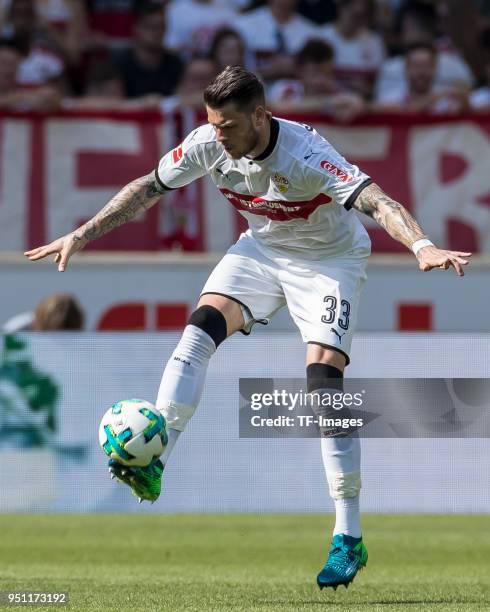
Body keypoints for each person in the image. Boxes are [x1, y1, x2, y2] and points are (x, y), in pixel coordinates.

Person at [24, 66, 471, 590]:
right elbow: (147, 188)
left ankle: (348, 535)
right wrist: (81, 234)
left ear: (260, 115)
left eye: (228, 125)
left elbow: (377, 200)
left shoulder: (307, 153)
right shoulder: (207, 145)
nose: (219, 135)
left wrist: (422, 246)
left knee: (323, 385)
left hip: (330, 262)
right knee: (198, 331)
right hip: (260, 252)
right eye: (212, 124)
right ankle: (156, 458)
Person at [372, 42, 468, 114]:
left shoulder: (445, 103)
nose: (421, 72)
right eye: (416, 66)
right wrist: (441, 95)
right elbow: (406, 110)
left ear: (435, 68)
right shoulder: (391, 99)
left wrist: (464, 99)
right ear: (406, 68)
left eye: (427, 66)